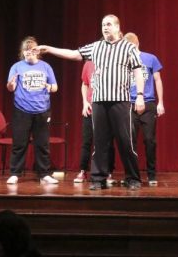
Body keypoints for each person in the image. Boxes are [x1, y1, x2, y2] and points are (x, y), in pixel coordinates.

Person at [37, 14, 146, 190]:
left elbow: (138, 72)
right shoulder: (96, 47)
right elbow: (73, 54)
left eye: (109, 24)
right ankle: (98, 178)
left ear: (118, 27)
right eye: (103, 24)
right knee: (100, 141)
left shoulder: (128, 48)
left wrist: (140, 95)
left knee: (126, 141)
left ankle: (133, 177)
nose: (105, 27)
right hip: (99, 101)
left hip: (120, 101)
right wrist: (49, 49)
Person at [5, 37, 59, 185]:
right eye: (26, 52)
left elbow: (55, 87)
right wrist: (11, 84)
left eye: (31, 51)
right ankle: (15, 173)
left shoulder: (46, 67)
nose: (28, 54)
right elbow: (11, 88)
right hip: (22, 110)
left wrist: (48, 87)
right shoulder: (16, 67)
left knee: (42, 144)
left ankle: (44, 174)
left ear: (37, 52)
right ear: (22, 53)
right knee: (19, 143)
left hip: (42, 110)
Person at [123, 32, 165, 186]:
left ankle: (151, 174)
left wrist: (160, 102)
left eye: (131, 47)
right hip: (129, 104)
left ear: (137, 44)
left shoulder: (150, 58)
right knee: (129, 141)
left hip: (148, 103)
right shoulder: (123, 61)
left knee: (149, 140)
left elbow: (158, 80)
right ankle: (131, 174)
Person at [74, 60, 116, 185]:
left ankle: (108, 172)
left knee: (108, 142)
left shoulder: (113, 63)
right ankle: (83, 171)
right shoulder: (88, 64)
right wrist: (85, 103)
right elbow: (84, 84)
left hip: (107, 108)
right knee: (87, 141)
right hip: (91, 108)